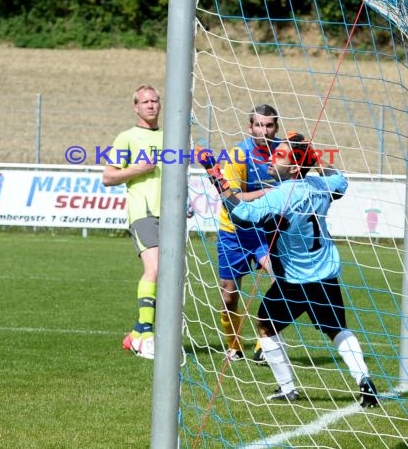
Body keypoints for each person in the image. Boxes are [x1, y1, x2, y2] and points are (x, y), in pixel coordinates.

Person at [200, 133, 379, 407]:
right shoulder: (321, 184)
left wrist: (216, 176)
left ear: (295, 167)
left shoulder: (281, 194)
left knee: (265, 323)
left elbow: (241, 216)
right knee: (337, 330)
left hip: (293, 280)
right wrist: (315, 157)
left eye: (280, 155)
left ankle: (287, 388)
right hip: (325, 274)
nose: (272, 157)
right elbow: (341, 180)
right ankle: (365, 382)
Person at [215, 104, 282, 363]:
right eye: (258, 125)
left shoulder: (284, 153)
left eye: (269, 125)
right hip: (235, 231)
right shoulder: (237, 155)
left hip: (267, 231)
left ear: (276, 127)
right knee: (229, 295)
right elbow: (231, 198)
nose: (264, 131)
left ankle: (264, 343)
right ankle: (234, 345)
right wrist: (267, 193)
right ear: (249, 126)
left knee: (281, 282)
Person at [102, 84, 163, 360]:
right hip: (144, 212)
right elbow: (108, 176)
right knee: (155, 269)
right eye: (145, 101)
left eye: (155, 101)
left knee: (167, 276)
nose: (151, 105)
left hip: (170, 216)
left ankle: (135, 334)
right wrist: (138, 168)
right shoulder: (127, 137)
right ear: (135, 107)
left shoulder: (172, 137)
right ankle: (146, 336)